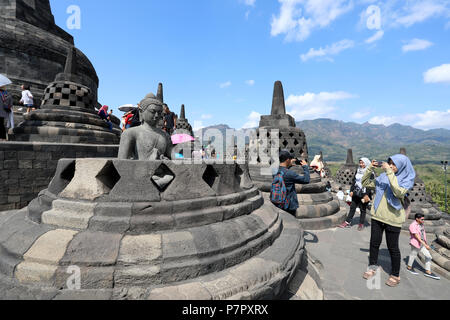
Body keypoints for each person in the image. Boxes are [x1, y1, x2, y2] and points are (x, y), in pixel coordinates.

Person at [361, 155, 416, 287]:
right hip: (377, 216)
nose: (391, 166)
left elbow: (398, 192)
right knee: (374, 243)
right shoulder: (384, 176)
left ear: (402, 166)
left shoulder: (406, 180)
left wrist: (389, 172)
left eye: (394, 164)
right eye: (389, 163)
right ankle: (372, 266)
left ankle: (395, 274)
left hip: (393, 219)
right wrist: (369, 169)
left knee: (393, 247)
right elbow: (365, 183)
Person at [271, 150, 310, 216]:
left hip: (278, 203)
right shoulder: (290, 173)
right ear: (288, 160)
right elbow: (306, 180)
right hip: (289, 205)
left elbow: (283, 172)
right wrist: (305, 167)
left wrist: (289, 165)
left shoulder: (274, 171)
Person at [339, 158, 372, 231]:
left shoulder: (370, 172)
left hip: (364, 193)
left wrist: (366, 194)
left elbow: (370, 185)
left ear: (366, 163)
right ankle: (347, 222)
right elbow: (354, 181)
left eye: (363, 163)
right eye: (360, 163)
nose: (361, 164)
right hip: (356, 191)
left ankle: (361, 223)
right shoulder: (358, 170)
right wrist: (351, 190)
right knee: (352, 207)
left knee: (363, 209)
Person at [407, 214, 441, 280]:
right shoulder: (413, 225)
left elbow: (423, 234)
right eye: (422, 219)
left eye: (423, 219)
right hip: (415, 243)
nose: (423, 220)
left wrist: (425, 243)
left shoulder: (421, 224)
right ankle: (409, 267)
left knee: (428, 256)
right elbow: (417, 237)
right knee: (413, 255)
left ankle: (428, 271)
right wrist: (425, 245)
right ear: (417, 219)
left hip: (422, 244)